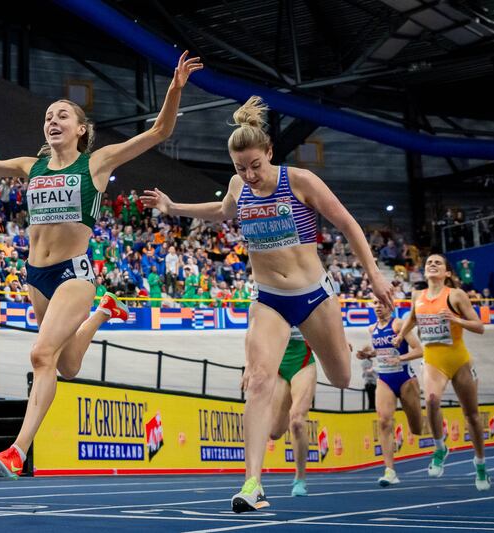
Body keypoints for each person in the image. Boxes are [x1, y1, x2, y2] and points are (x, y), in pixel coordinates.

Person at [0, 51, 203, 479]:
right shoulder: (29, 166)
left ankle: (17, 452)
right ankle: (104, 313)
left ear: (81, 129)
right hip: (35, 276)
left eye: (62, 115)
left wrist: (174, 88)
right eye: (47, 116)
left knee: (41, 355)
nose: (52, 121)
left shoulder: (96, 162)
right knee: (67, 366)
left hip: (74, 273)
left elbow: (160, 130)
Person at [140, 95, 394, 512]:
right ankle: (252, 483)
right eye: (241, 168)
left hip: (314, 297)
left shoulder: (300, 182)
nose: (250, 174)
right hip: (269, 299)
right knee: (256, 379)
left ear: (270, 152)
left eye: (256, 165)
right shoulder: (240, 186)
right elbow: (222, 211)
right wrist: (174, 207)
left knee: (344, 377)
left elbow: (348, 224)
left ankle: (326, 353)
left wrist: (375, 273)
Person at [394, 254, 489, 490]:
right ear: (424, 272)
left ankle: (480, 464)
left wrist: (456, 319)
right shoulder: (418, 296)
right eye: (429, 263)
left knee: (472, 416)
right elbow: (412, 319)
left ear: (447, 273)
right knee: (433, 400)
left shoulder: (455, 295)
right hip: (433, 359)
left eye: (438, 262)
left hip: (458, 360)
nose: (432, 264)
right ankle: (439, 448)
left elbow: (479, 327)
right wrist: (400, 335)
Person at [356, 296, 423, 487]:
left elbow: (420, 350)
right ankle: (390, 471)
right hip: (384, 378)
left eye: (381, 304)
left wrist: (400, 358)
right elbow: (382, 350)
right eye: (375, 303)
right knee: (384, 421)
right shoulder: (372, 329)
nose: (378, 307)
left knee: (417, 428)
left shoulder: (399, 324)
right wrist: (369, 354)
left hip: (405, 378)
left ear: (390, 307)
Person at [245, 322, 316, 497]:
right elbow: (252, 333)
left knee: (297, 420)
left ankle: (300, 478)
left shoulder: (307, 295)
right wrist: (249, 365)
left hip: (303, 362)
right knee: (275, 432)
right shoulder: (267, 300)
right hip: (277, 366)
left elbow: (327, 319)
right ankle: (253, 479)